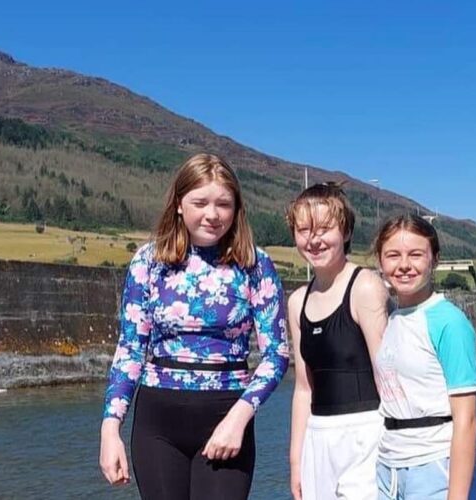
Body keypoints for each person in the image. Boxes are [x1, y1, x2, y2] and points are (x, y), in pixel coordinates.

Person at [98, 153, 290, 499]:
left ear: (237, 209)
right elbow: (130, 350)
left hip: (227, 420)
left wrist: (239, 418)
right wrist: (110, 429)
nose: (212, 214)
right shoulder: (148, 262)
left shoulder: (255, 265)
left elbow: (276, 354)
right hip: (157, 425)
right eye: (200, 202)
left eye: (223, 204)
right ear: (179, 205)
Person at [286, 182, 389, 500]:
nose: (313, 239)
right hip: (318, 438)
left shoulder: (366, 286)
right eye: (303, 230)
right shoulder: (297, 302)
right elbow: (304, 388)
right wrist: (296, 460)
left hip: (366, 435)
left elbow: (388, 376)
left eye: (324, 228)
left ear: (345, 232)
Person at [372, 213, 476, 500]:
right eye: (393, 255)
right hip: (389, 467)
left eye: (416, 254)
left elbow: (466, 420)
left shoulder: (449, 323)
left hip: (434, 466)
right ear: (380, 262)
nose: (404, 265)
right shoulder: (394, 318)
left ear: (434, 260)